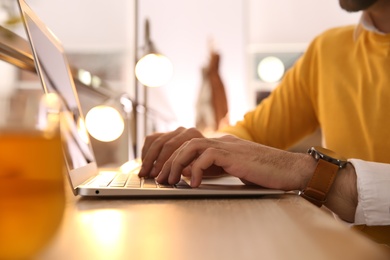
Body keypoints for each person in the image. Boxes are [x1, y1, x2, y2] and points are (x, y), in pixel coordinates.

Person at [138, 0, 390, 243]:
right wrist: (204, 146)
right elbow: (254, 132)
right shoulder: (329, 50)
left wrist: (310, 172)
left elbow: (283, 161)